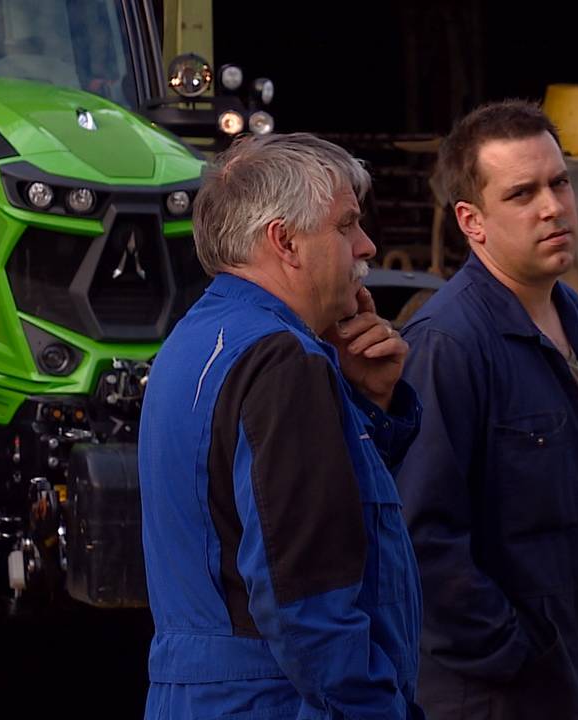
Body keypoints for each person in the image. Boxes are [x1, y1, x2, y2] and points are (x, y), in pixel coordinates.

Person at [139, 133, 424, 719]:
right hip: (275, 700)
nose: (366, 246)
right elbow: (306, 598)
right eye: (346, 225)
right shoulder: (282, 361)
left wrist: (366, 403)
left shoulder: (194, 344)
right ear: (285, 240)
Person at [395, 100, 578, 719]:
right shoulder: (448, 344)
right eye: (521, 193)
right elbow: (421, 540)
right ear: (472, 221)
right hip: (503, 699)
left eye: (559, 182)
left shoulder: (575, 316)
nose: (553, 207)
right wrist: (519, 659)